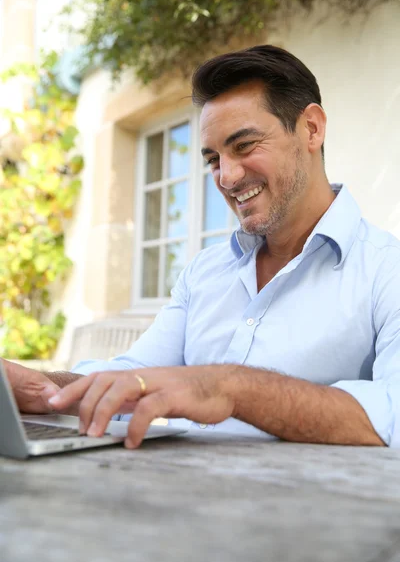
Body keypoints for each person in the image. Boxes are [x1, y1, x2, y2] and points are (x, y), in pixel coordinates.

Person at [3, 45, 400, 450]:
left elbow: (394, 415)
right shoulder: (205, 272)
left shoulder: (388, 271)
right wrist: (44, 389)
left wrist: (230, 388)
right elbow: (132, 376)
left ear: (312, 129)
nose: (226, 177)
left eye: (244, 146)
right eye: (213, 158)